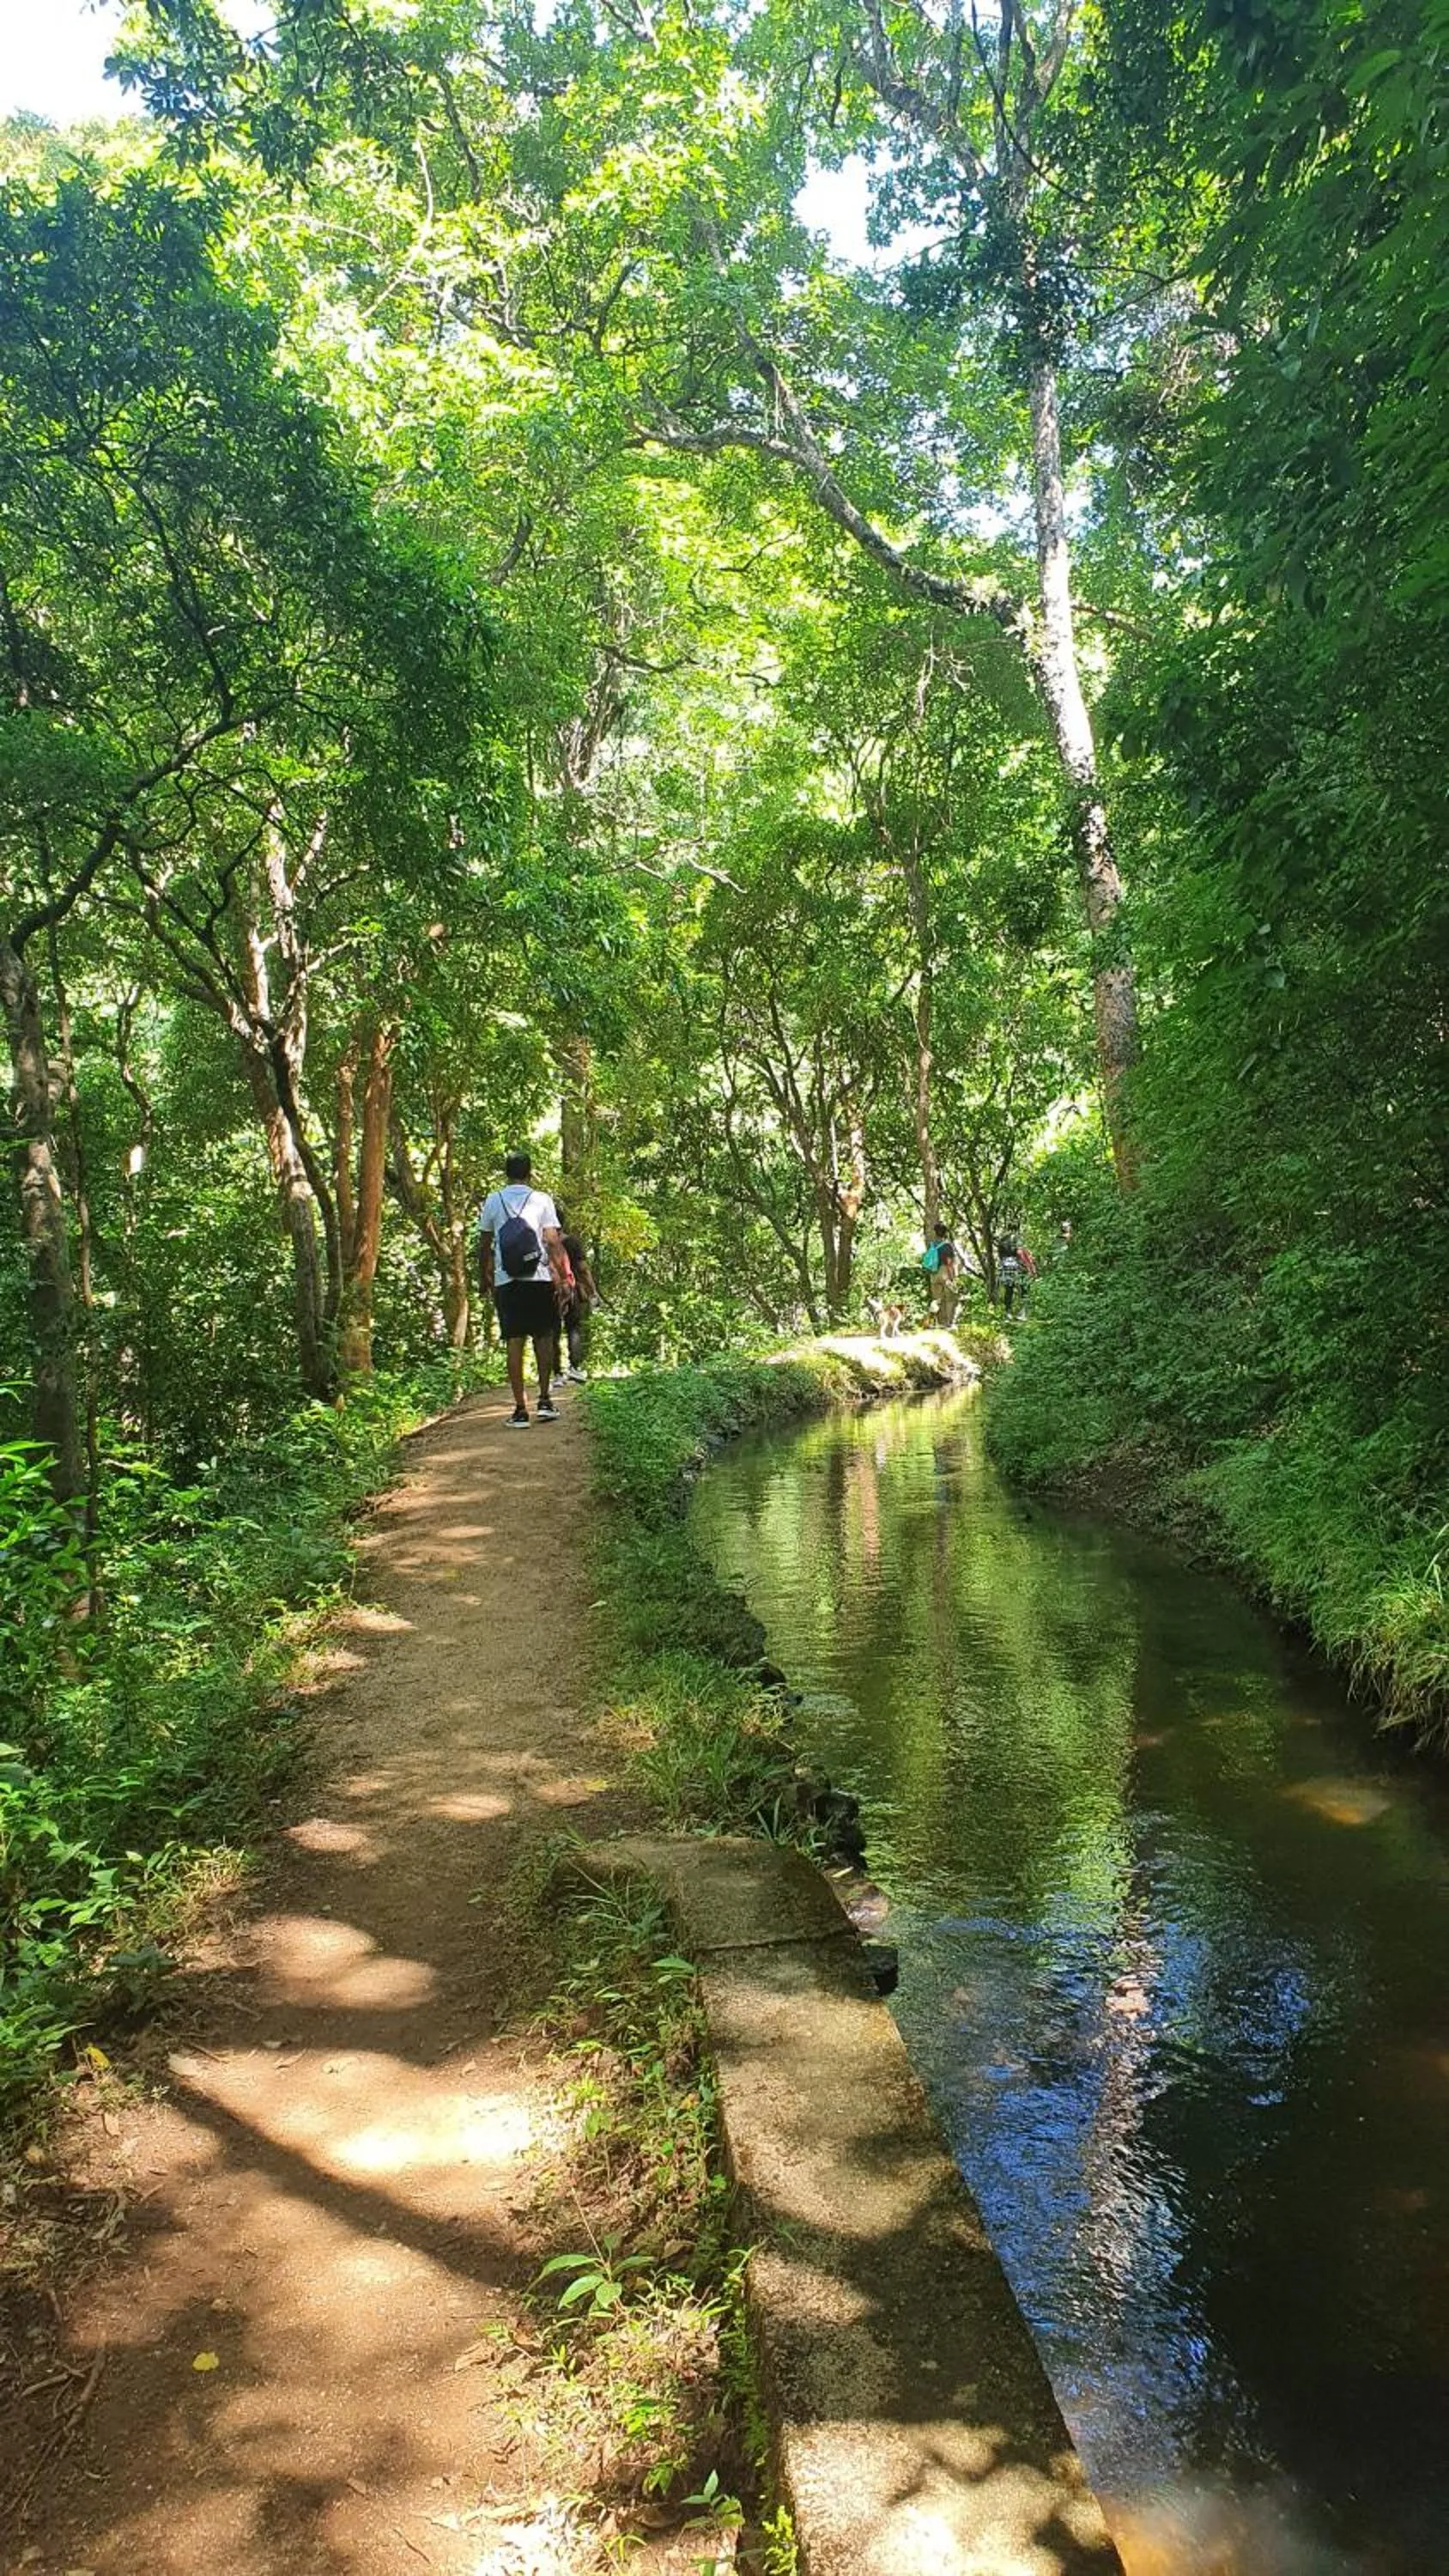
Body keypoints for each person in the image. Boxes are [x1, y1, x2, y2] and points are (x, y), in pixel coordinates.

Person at [477, 1152, 567, 1426]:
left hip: (508, 1281)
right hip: (539, 1279)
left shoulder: (494, 1200)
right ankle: (545, 1400)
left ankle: (519, 1410)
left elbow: (484, 1243)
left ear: (507, 1173)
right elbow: (552, 1241)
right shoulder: (542, 1200)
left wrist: (485, 1276)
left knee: (514, 1342)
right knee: (543, 1337)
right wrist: (561, 1277)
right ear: (530, 1173)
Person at [555, 1213, 599, 1382]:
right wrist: (592, 1291)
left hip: (548, 1290)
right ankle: (574, 1367)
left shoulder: (541, 1242)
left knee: (552, 1332)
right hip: (572, 1290)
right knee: (574, 1328)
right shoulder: (571, 1242)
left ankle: (557, 1372)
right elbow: (583, 1269)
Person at [921, 1221, 961, 1329]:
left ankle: (939, 1322)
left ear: (935, 1233)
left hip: (933, 1274)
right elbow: (949, 1263)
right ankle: (949, 1323)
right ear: (945, 1233)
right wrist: (953, 1277)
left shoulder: (932, 1245)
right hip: (945, 1272)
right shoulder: (947, 1246)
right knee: (950, 1298)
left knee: (938, 1299)